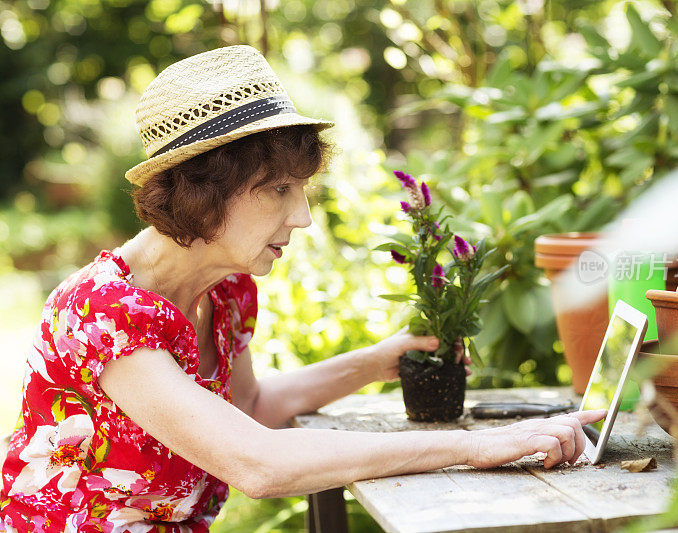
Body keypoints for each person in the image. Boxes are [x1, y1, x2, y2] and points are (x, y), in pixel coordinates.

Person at [0, 45, 605, 532]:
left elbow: (250, 410)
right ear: (202, 189)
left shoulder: (227, 289)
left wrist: (374, 363)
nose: (303, 217)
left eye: (302, 188)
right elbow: (258, 463)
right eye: (277, 188)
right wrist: (477, 446)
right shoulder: (102, 313)